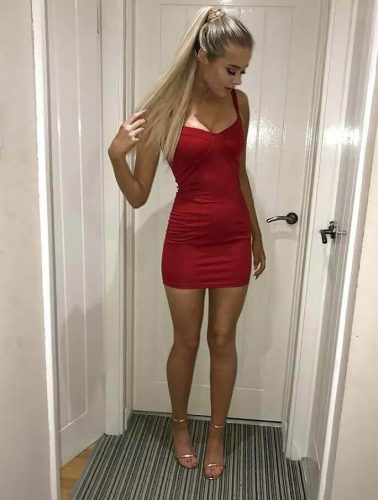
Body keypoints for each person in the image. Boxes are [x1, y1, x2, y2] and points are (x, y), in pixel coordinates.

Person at [107, 6, 266, 481]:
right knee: (188, 341)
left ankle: (216, 434)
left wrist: (256, 235)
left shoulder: (240, 105)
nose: (237, 79)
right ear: (203, 57)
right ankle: (180, 428)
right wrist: (115, 156)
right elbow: (139, 195)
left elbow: (238, 174)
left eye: (243, 70)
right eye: (231, 69)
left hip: (233, 239)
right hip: (186, 242)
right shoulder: (163, 112)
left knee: (223, 339)